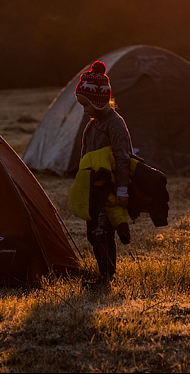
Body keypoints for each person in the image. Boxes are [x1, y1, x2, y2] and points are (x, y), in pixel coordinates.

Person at [74, 60, 133, 287]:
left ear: (98, 101)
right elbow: (83, 157)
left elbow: (123, 157)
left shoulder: (115, 125)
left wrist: (122, 189)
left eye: (86, 104)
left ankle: (107, 277)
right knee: (93, 233)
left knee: (102, 232)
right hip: (93, 189)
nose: (84, 110)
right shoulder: (91, 125)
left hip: (108, 190)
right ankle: (103, 274)